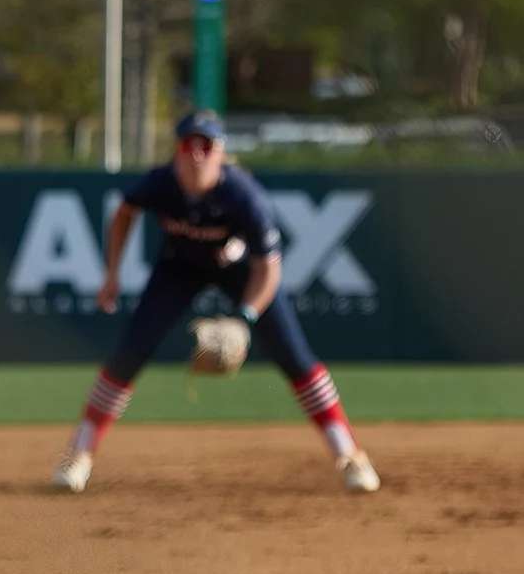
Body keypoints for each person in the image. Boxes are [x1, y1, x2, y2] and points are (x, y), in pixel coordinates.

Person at [52, 109, 381, 497]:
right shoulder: (160, 184)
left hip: (240, 273)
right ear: (174, 151)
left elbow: (269, 270)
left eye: (205, 145)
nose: (195, 154)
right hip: (179, 267)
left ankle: (351, 455)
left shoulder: (244, 196)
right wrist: (111, 274)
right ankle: (79, 454)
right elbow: (124, 212)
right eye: (187, 144)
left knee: (295, 355)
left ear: (220, 152)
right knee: (130, 351)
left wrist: (245, 316)